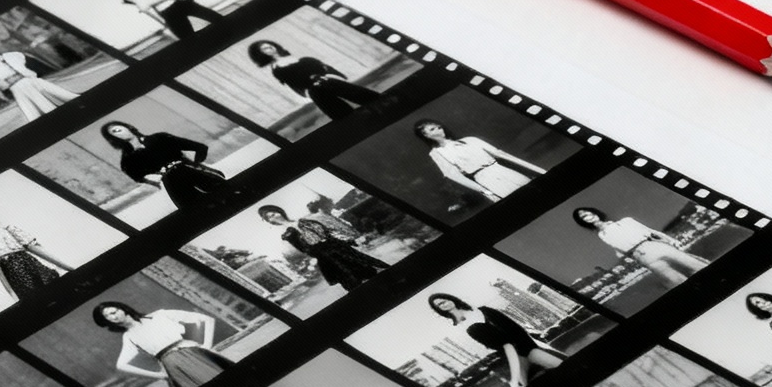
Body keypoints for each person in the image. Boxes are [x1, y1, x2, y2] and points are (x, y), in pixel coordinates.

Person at [93, 302, 233, 387]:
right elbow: (121, 365)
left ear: (122, 308)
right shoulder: (129, 336)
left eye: (114, 311)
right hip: (173, 365)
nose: (114, 316)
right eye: (108, 317)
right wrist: (160, 375)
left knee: (229, 382)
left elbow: (205, 319)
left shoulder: (159, 315)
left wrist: (205, 346)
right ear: (108, 322)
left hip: (194, 353)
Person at [427, 293, 564, 387]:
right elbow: (493, 345)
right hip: (510, 355)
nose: (444, 304)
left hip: (526, 346)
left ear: (451, 299)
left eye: (444, 300)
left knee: (559, 364)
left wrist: (529, 347)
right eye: (439, 304)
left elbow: (515, 327)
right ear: (439, 309)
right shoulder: (460, 327)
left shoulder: (483, 310)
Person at [100, 121, 231, 211]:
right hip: (174, 185)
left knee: (228, 196)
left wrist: (196, 164)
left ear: (128, 127)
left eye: (118, 129)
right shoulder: (128, 160)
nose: (118, 133)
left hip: (193, 172)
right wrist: (157, 178)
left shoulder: (160, 138)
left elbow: (200, 147)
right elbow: (138, 178)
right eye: (114, 133)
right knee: (200, 211)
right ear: (113, 139)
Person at [255, 204, 390, 291]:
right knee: (350, 280)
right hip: (324, 256)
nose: (273, 217)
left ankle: (388, 286)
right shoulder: (286, 235)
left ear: (280, 212)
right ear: (269, 221)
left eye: (273, 213)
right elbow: (302, 250)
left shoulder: (303, 220)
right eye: (269, 217)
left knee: (366, 267)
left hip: (337, 247)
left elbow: (326, 230)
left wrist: (347, 239)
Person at [414, 119, 546, 204]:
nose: (438, 129)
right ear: (426, 136)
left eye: (438, 126)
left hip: (504, 171)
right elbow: (454, 175)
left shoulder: (470, 140)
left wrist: (539, 171)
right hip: (487, 180)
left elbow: (501, 154)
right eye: (432, 129)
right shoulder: (437, 153)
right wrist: (485, 191)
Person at [570, 207, 709, 286]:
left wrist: (672, 241)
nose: (588, 217)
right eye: (584, 218)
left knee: (696, 265)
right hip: (641, 256)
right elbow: (620, 251)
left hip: (653, 245)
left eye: (588, 214)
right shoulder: (603, 235)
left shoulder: (626, 221)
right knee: (676, 280)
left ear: (594, 213)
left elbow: (651, 231)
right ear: (585, 223)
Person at [245, 39, 380, 120]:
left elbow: (320, 67)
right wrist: (311, 86)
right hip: (315, 90)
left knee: (370, 99)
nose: (270, 49)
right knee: (345, 116)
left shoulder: (296, 57)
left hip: (327, 81)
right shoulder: (277, 69)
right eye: (265, 49)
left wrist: (324, 76)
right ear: (261, 54)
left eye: (270, 45)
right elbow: (295, 84)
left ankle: (380, 103)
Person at [0, 42, 76, 122]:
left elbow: (19, 61)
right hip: (16, 87)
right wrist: (3, 94)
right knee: (36, 107)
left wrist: (6, 62)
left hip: (28, 79)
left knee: (59, 93)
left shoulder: (1, 58)